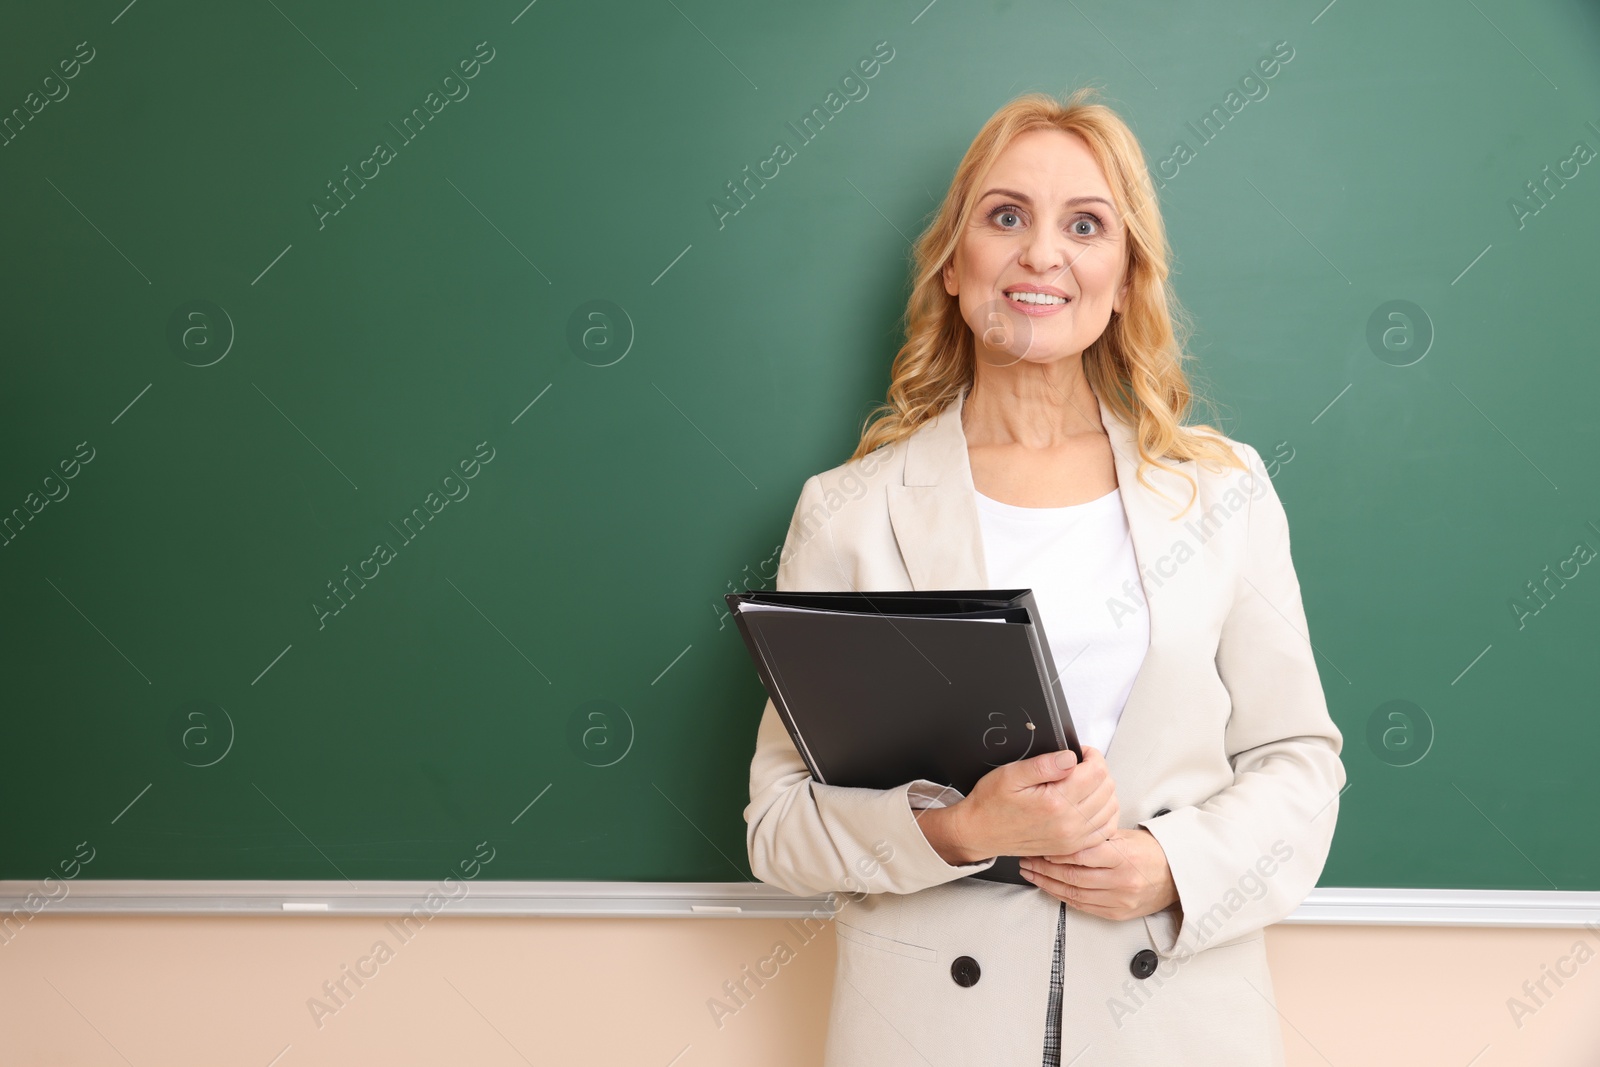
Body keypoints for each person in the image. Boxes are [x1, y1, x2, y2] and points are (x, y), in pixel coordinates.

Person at [742, 86, 1345, 1066]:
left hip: (1180, 1022)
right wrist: (959, 828)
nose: (1040, 253)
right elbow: (779, 826)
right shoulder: (847, 512)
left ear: (1124, 276)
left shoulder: (1219, 492)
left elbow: (1298, 761)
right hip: (927, 1028)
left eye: (1085, 224)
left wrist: (1170, 864)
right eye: (1005, 215)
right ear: (951, 263)